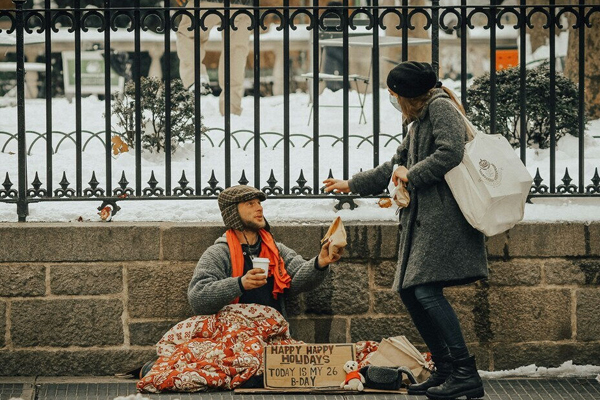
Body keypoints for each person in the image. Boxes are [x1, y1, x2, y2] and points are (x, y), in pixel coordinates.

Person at [323, 61, 488, 400]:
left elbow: (450, 152)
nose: (392, 98)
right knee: (410, 291)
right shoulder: (418, 120)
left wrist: (412, 175)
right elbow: (393, 164)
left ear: (409, 95)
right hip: (424, 220)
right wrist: (350, 183)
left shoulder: (441, 108)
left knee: (425, 291)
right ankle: (444, 369)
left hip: (445, 220)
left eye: (394, 93)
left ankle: (465, 373)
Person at [188, 185, 342, 317]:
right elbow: (198, 298)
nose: (259, 208)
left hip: (273, 332)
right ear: (233, 212)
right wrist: (240, 284)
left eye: (259, 203)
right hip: (233, 334)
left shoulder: (276, 249)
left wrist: (320, 262)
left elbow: (299, 277)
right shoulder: (218, 253)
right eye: (250, 203)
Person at [176, 0, 252, 116]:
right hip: (242, 3)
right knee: (236, 52)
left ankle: (195, 77)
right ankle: (231, 109)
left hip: (204, 2)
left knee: (189, 35)